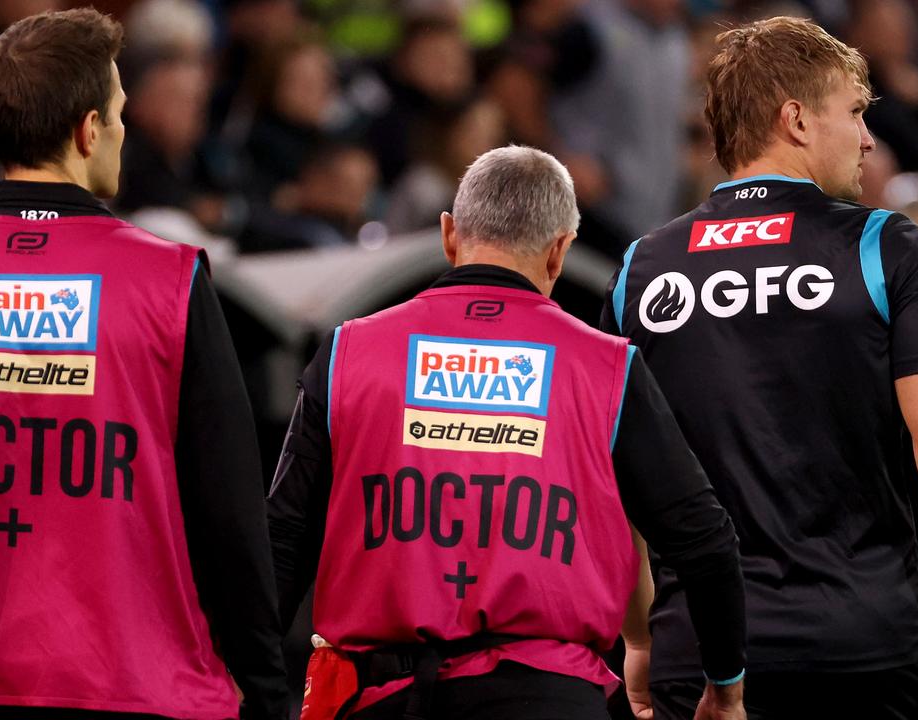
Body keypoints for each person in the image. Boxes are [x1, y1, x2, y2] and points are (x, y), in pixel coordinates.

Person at [0, 9, 286, 720]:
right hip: (139, 688)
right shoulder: (169, 281)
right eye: (117, 114)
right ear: (89, 131)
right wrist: (268, 690)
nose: (121, 130)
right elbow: (228, 512)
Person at [602, 16, 918, 720]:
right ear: (796, 120)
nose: (867, 139)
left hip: (705, 657)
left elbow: (616, 479)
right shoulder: (879, 244)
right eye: (856, 113)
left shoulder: (639, 270)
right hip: (861, 648)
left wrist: (640, 637)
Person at [267, 145, 746, 720]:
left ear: (449, 235)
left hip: (380, 699)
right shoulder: (607, 368)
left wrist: (250, 679)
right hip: (550, 699)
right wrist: (724, 686)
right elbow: (704, 539)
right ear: (560, 250)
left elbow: (282, 536)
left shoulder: (351, 351)